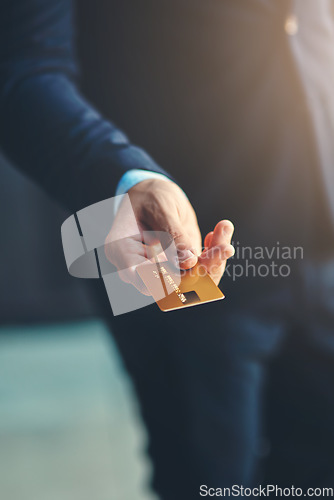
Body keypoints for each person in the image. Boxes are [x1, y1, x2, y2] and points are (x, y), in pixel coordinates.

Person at [1, 0, 334, 498]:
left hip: (322, 241)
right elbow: (22, 69)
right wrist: (121, 176)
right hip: (173, 252)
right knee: (207, 481)